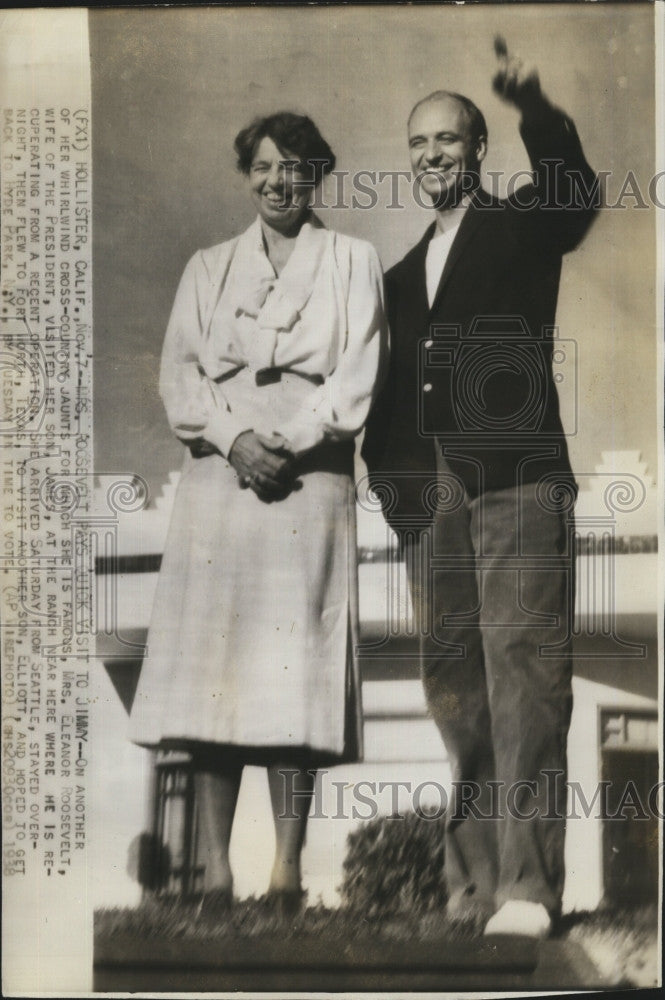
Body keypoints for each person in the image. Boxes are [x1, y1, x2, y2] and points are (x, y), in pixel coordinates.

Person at [362, 38, 598, 938]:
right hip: (435, 508)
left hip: (518, 488)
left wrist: (532, 103)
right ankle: (470, 892)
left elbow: (575, 194)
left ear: (477, 150)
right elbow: (381, 401)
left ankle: (530, 891)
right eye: (419, 143)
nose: (432, 155)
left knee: (527, 686)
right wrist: (399, 497)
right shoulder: (391, 279)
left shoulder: (522, 225)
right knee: (454, 691)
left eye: (450, 140)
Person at [129, 111, 388, 913]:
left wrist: (291, 439)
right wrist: (237, 439)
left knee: (292, 672)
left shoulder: (352, 260)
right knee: (216, 673)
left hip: (308, 481)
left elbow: (357, 373)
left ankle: (283, 870)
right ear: (248, 174)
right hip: (219, 479)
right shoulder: (208, 267)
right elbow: (179, 379)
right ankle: (212, 869)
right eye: (265, 167)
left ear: (319, 174)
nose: (279, 182)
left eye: (296, 167)